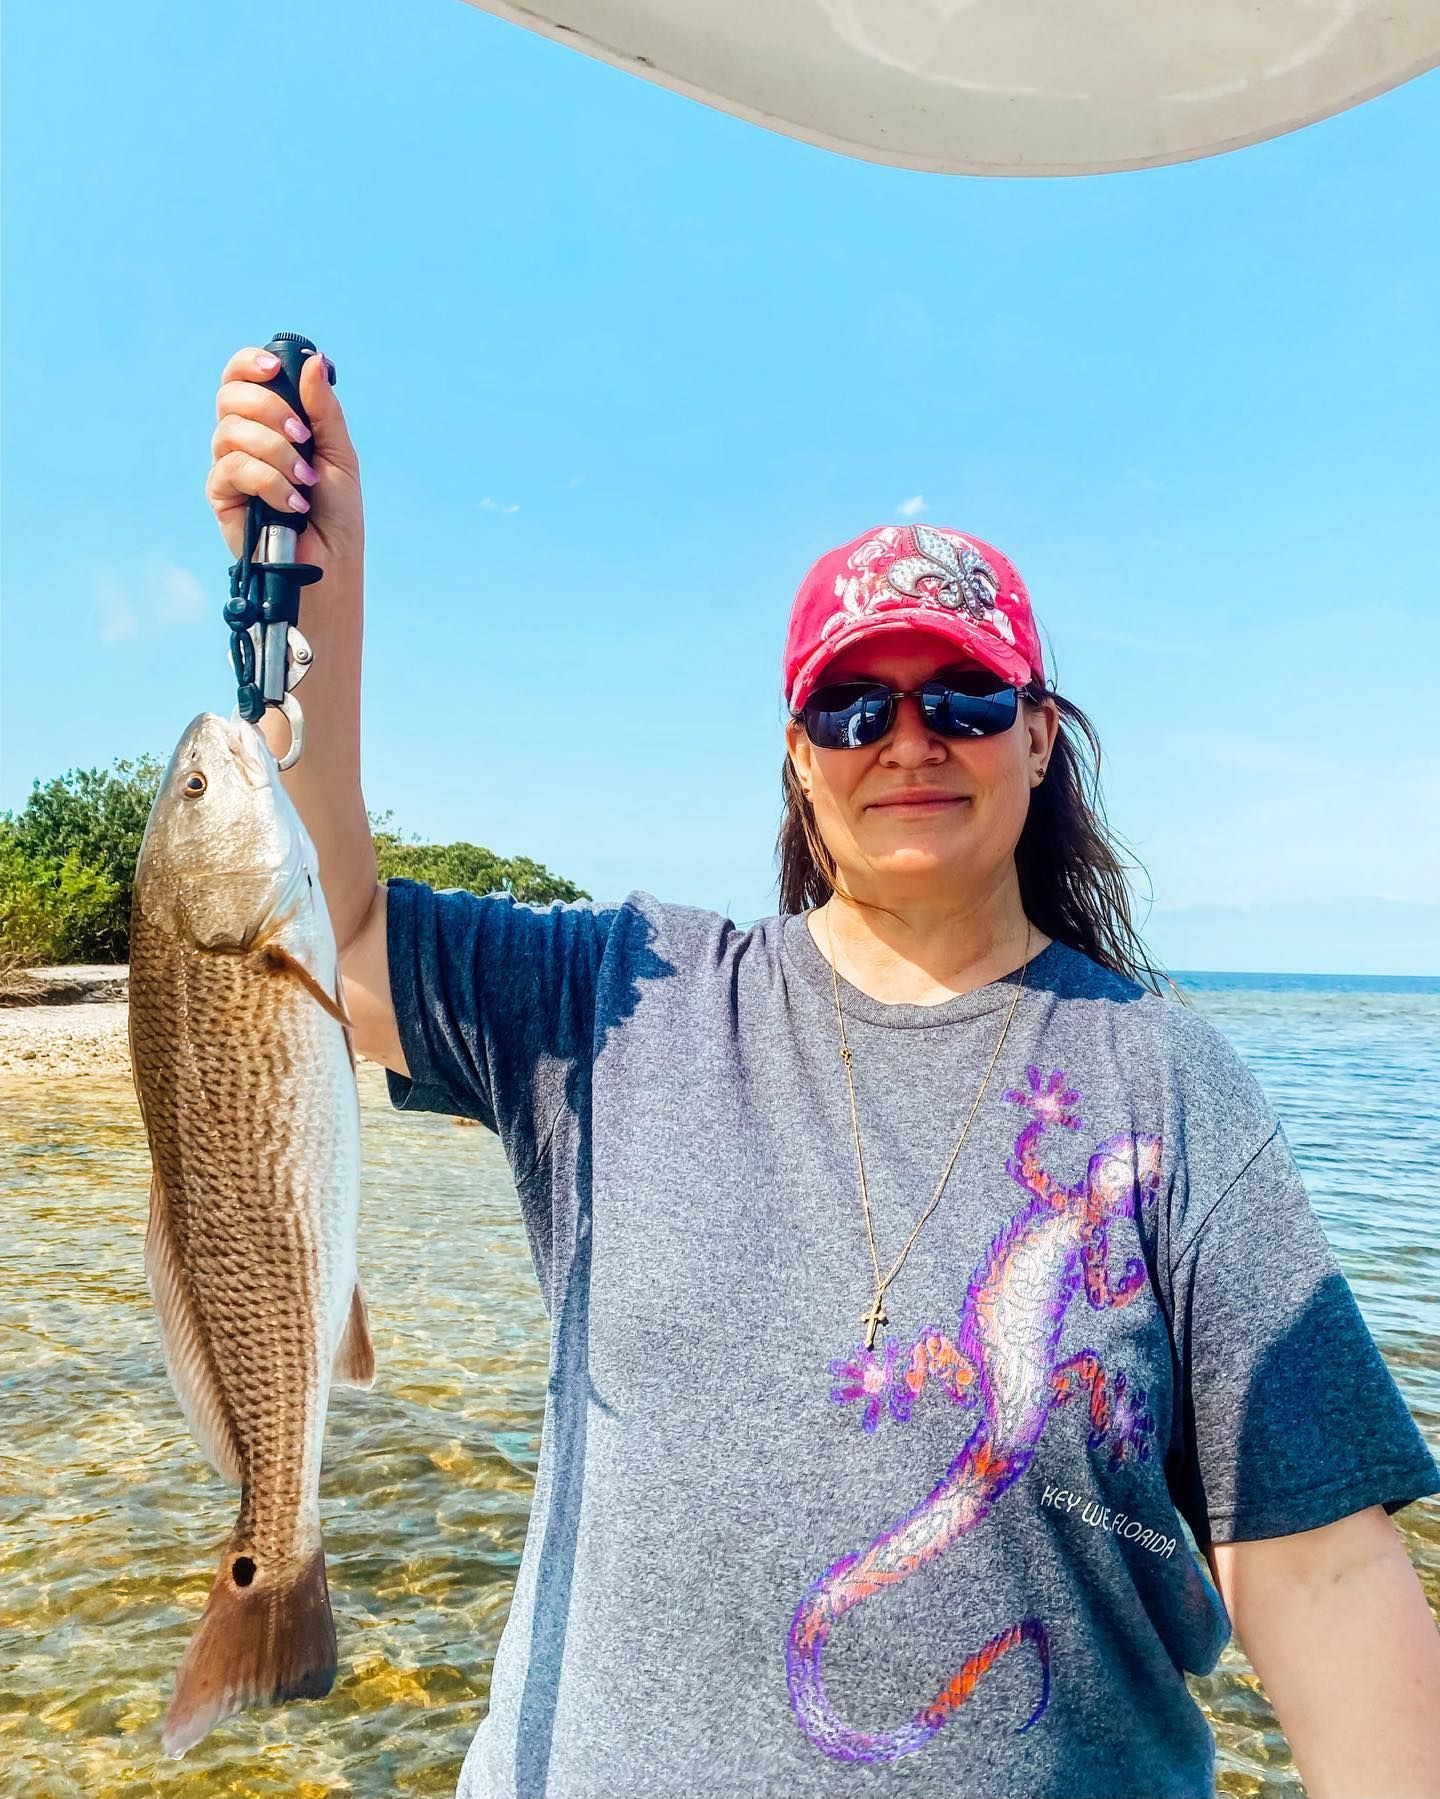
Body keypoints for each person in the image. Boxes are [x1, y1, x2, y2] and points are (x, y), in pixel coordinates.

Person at [208, 346, 1440, 1799]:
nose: (907, 741)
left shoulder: (1163, 1081)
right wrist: (316, 604)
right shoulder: (619, 995)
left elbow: (1319, 1570)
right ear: (798, 755)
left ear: (1041, 738)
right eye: (854, 706)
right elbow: (333, 946)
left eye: (965, 701)